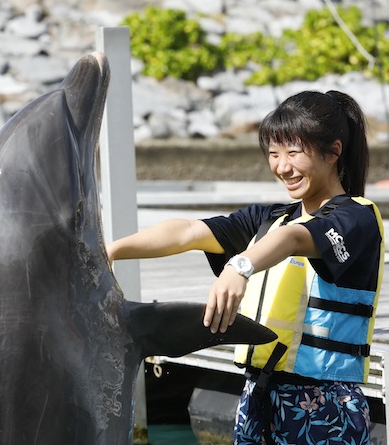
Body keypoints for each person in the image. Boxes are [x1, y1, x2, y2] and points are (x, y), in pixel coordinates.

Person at [107, 90, 385, 444]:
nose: (282, 166)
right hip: (257, 397)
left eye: (294, 153)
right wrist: (112, 250)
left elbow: (297, 239)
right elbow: (189, 232)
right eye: (273, 153)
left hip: (324, 408)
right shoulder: (268, 219)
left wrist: (239, 268)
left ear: (333, 151)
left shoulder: (355, 217)